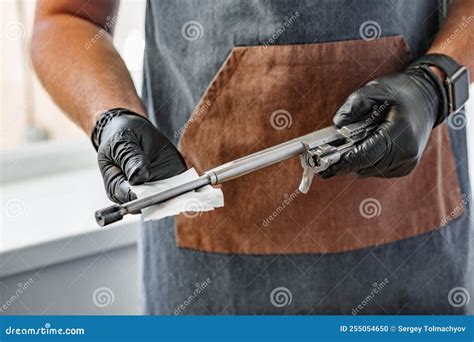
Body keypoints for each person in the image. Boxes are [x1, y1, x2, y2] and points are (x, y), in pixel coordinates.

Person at [32, 0, 473, 314]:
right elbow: (66, 17)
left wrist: (435, 84)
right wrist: (109, 117)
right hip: (207, 284)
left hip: (410, 259)